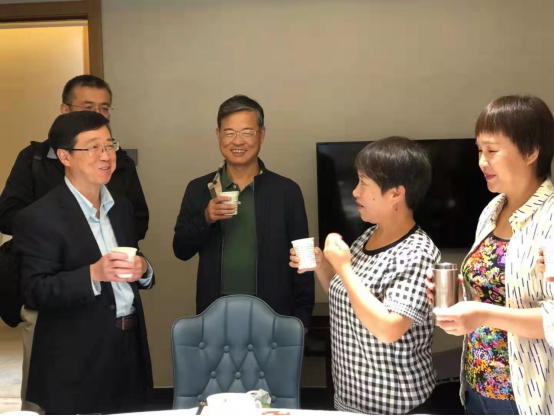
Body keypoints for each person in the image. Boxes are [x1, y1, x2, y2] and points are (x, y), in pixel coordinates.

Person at [0, 74, 149, 412]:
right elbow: (35, 290)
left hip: (127, 344)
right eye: (93, 147)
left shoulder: (121, 207)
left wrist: (144, 268)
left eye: (109, 145)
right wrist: (93, 273)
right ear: (65, 157)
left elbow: (136, 247)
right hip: (73, 349)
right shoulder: (37, 214)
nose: (106, 155)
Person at [291, 137, 440, 414]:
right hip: (350, 399)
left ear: (395, 194)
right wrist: (322, 265)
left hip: (396, 405)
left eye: (363, 183)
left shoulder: (417, 252)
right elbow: (349, 298)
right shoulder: (368, 236)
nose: (355, 192)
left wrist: (344, 268)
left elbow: (389, 329)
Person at [427, 95, 554, 415]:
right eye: (479, 151)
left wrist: (483, 314)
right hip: (476, 385)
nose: (482, 162)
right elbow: (491, 295)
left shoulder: (550, 218)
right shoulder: (492, 210)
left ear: (531, 151)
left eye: (492, 150)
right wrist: (458, 302)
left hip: (528, 396)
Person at [173, 94, 314, 329]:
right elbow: (181, 250)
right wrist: (206, 218)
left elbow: (304, 258)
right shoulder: (199, 189)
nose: (237, 141)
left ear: (262, 135)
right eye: (229, 133)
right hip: (215, 313)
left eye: (247, 132)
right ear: (218, 135)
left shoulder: (286, 191)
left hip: (275, 314)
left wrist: (303, 318)